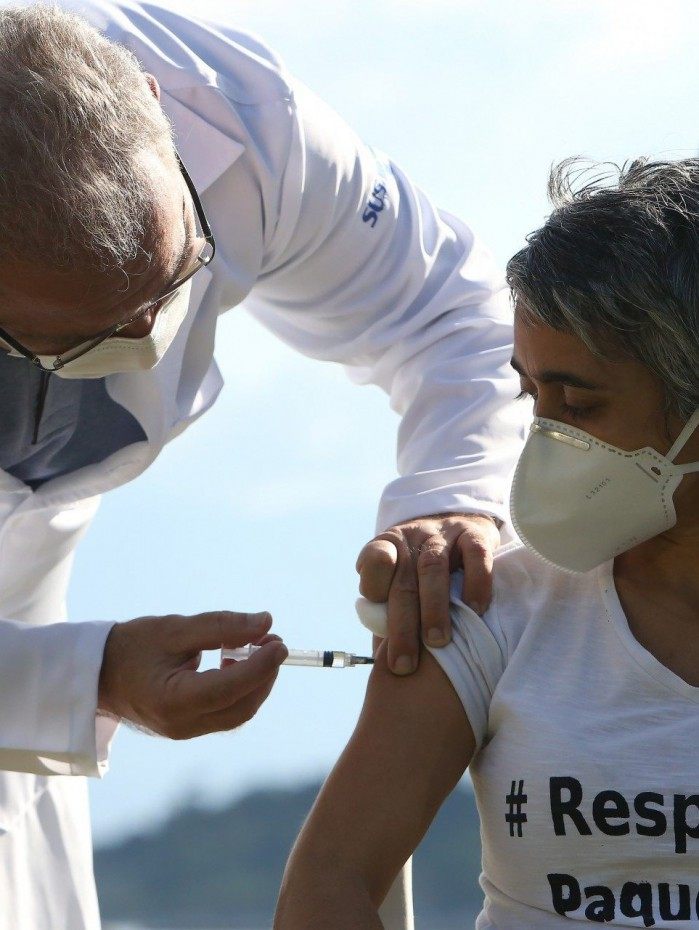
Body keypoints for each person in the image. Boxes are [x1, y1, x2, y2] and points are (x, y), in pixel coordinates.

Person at [0, 1, 526, 927]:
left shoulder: (245, 117)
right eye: (80, 343)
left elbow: (445, 312)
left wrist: (451, 497)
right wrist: (88, 677)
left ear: (154, 107)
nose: (146, 347)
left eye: (169, 291)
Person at [274, 157, 699, 929]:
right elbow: (325, 887)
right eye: (531, 395)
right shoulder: (484, 613)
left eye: (579, 402)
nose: (545, 438)